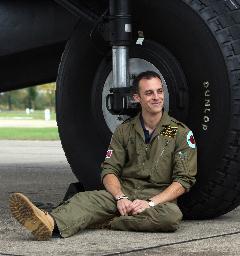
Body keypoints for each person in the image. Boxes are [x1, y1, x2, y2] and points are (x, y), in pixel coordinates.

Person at [9, 71, 197, 240]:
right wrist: (120, 197)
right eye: (149, 93)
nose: (156, 97)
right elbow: (109, 170)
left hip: (157, 201)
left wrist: (149, 203)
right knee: (85, 199)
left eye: (159, 91)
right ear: (137, 98)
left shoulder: (179, 132)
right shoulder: (124, 131)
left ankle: (108, 222)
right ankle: (50, 223)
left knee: (170, 217)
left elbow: (184, 180)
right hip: (124, 193)